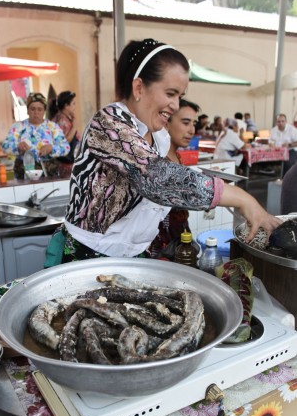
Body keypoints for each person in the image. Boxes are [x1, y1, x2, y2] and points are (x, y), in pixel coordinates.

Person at [45, 38, 280, 267]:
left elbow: (168, 187)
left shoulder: (159, 137)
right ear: (139, 87)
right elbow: (158, 179)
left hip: (133, 257)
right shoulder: (109, 125)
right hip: (88, 257)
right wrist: (242, 198)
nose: (176, 105)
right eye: (170, 93)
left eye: (180, 96)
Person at [149, 99, 200, 259]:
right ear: (166, 123)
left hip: (179, 240)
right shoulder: (158, 159)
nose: (192, 130)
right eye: (186, 123)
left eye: (194, 123)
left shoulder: (177, 156)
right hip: (160, 246)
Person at [2, 92, 70, 179]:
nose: (36, 112)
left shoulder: (52, 127)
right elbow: (5, 146)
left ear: (44, 111)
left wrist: (51, 148)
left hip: (48, 172)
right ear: (27, 110)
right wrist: (18, 146)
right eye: (32, 109)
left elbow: (66, 148)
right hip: (23, 172)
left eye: (39, 109)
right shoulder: (18, 127)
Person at [47, 90, 81, 162]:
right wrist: (74, 127)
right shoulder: (61, 121)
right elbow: (64, 142)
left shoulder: (64, 117)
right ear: (66, 106)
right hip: (65, 160)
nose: (75, 106)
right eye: (73, 104)